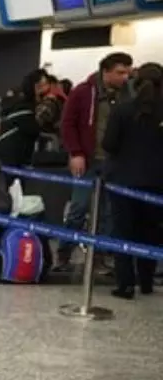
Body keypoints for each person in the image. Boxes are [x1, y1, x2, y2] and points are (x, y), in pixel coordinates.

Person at [56, 52, 133, 271]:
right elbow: (68, 123)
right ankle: (64, 252)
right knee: (78, 207)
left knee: (108, 212)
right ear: (105, 71)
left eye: (127, 72)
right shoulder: (82, 92)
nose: (125, 77)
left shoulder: (127, 96)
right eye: (120, 72)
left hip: (113, 163)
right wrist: (75, 152)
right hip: (87, 160)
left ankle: (99, 254)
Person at [101, 62, 163, 300]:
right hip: (157, 183)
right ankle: (146, 282)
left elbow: (109, 144)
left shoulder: (123, 110)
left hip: (123, 181)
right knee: (151, 232)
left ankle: (125, 284)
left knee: (123, 232)